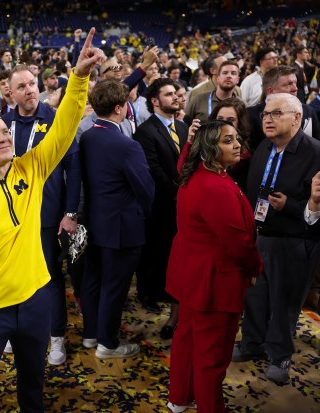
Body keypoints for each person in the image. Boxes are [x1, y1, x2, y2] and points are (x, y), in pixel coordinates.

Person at [0, 28, 104, 412]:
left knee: (33, 383)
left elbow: (64, 129)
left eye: (3, 131)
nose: (2, 138)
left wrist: (78, 78)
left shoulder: (29, 169)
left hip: (35, 302)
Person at [166, 120, 263, 413]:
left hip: (192, 276)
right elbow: (238, 243)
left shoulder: (195, 173)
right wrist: (254, 268)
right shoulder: (214, 187)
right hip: (215, 282)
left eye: (237, 139)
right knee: (213, 356)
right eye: (228, 141)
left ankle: (179, 398)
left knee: (186, 339)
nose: (237, 146)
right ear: (210, 148)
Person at [234, 93, 320, 385]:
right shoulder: (263, 148)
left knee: (284, 303)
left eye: (276, 114)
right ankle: (252, 344)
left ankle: (279, 355)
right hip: (260, 235)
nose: (267, 119)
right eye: (265, 114)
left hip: (293, 241)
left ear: (297, 118)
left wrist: (291, 207)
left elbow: (316, 209)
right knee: (255, 296)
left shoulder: (315, 153)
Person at [3, 63, 82, 365]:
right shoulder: (3, 124)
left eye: (32, 83)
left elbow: (73, 167)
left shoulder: (55, 120)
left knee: (50, 278)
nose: (30, 90)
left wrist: (70, 212)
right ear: (10, 92)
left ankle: (57, 336)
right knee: (14, 276)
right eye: (21, 86)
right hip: (13, 218)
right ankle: (15, 331)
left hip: (48, 215)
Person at [80, 79, 154, 359]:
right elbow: (145, 189)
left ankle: (91, 335)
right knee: (115, 287)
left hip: (95, 222)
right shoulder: (126, 145)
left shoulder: (88, 136)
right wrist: (144, 212)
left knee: (93, 281)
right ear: (120, 108)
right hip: (123, 226)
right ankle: (108, 344)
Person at [134, 78, 189, 313]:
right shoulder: (145, 131)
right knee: (153, 250)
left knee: (171, 250)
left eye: (176, 93)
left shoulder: (183, 127)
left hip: (181, 203)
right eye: (169, 94)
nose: (175, 97)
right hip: (158, 204)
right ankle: (147, 292)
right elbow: (153, 170)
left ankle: (166, 289)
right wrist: (178, 193)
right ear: (155, 101)